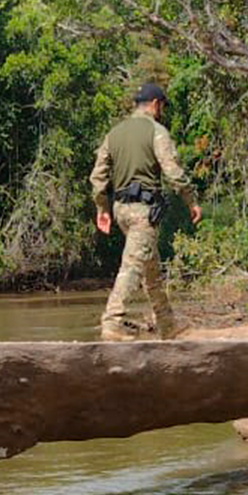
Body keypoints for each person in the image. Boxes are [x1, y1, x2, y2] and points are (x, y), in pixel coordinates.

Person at [88, 83, 200, 340]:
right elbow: (172, 171)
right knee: (132, 266)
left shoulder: (113, 134)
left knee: (150, 269)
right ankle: (112, 321)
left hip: (121, 211)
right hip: (143, 212)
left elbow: (98, 177)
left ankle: (167, 324)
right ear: (155, 104)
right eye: (161, 106)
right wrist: (191, 200)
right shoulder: (156, 131)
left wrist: (102, 208)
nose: (161, 111)